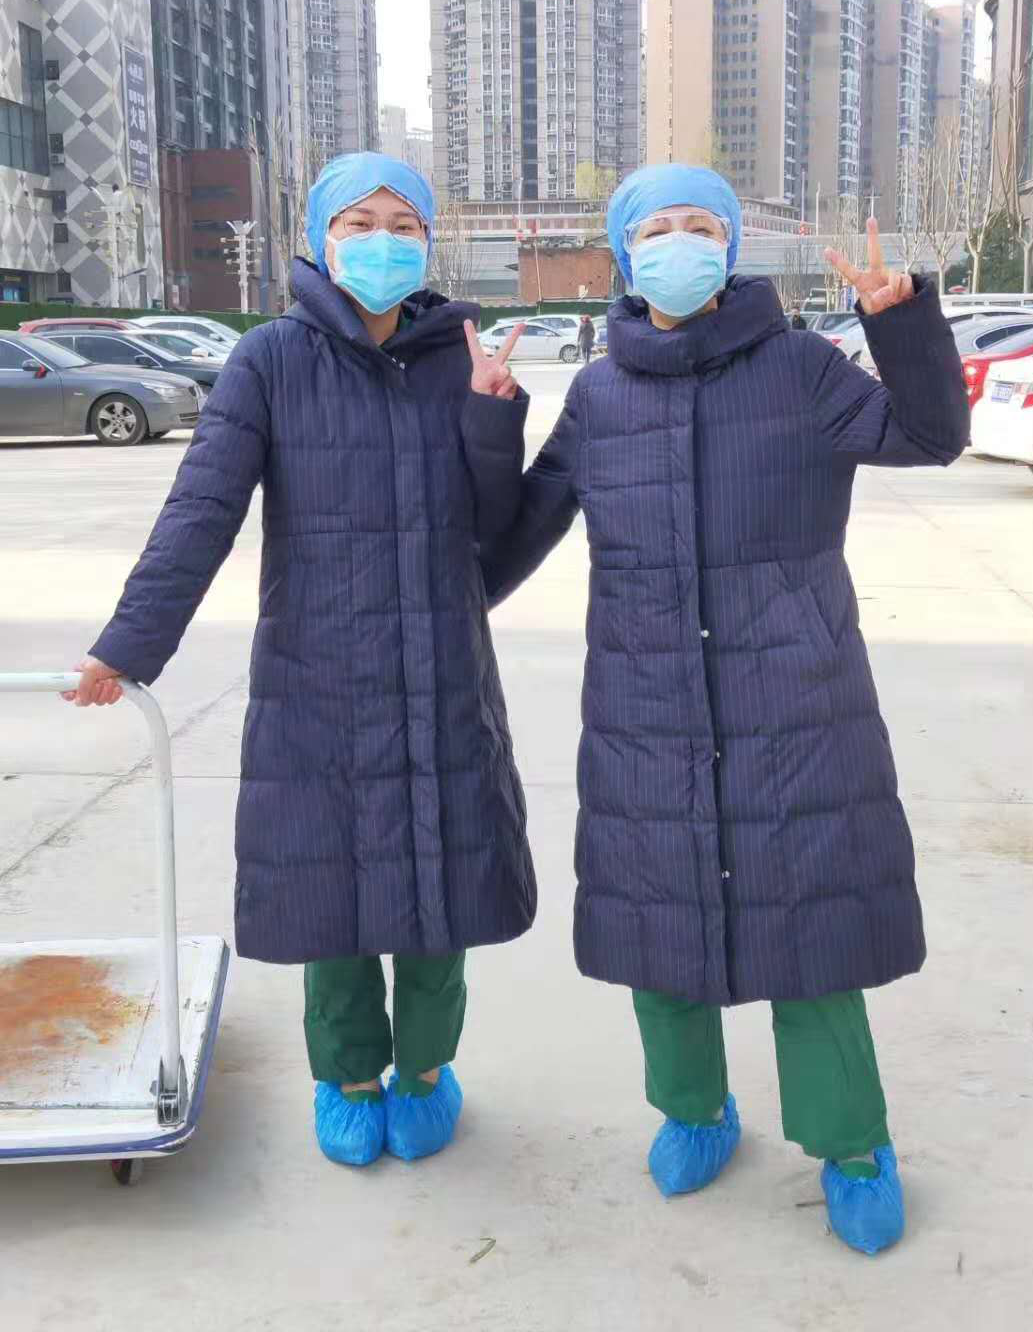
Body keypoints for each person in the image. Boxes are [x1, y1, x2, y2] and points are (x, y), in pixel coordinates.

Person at [480, 164, 969, 1256]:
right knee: (661, 930)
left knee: (815, 936)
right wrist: (483, 424)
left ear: (733, 247)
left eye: (701, 225)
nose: (679, 242)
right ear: (624, 255)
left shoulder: (802, 368)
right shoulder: (599, 396)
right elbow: (508, 547)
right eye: (656, 227)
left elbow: (930, 437)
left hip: (798, 704)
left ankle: (853, 1144)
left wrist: (901, 326)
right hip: (645, 710)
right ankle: (694, 1111)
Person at [65, 152, 535, 1170]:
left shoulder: (458, 358)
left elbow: (494, 534)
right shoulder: (270, 359)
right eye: (358, 222)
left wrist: (495, 415)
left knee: (442, 895)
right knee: (334, 895)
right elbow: (202, 509)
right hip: (318, 675)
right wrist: (128, 644)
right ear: (320, 239)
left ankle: (427, 1071)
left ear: (428, 241)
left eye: (402, 223)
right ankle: (350, 1077)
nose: (381, 241)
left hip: (444, 673)